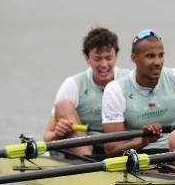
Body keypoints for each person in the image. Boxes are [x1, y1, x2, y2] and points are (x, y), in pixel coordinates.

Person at [101, 29, 175, 171]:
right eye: (150, 56)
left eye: (160, 55)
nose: (158, 62)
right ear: (134, 58)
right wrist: (143, 141)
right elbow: (112, 151)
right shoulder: (116, 90)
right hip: (145, 157)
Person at [43, 27, 127, 156]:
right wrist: (56, 134)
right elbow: (47, 137)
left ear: (117, 56)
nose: (104, 65)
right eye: (98, 59)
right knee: (64, 105)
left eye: (109, 58)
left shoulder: (129, 80)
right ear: (87, 58)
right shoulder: (73, 85)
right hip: (86, 150)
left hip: (121, 148)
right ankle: (86, 159)